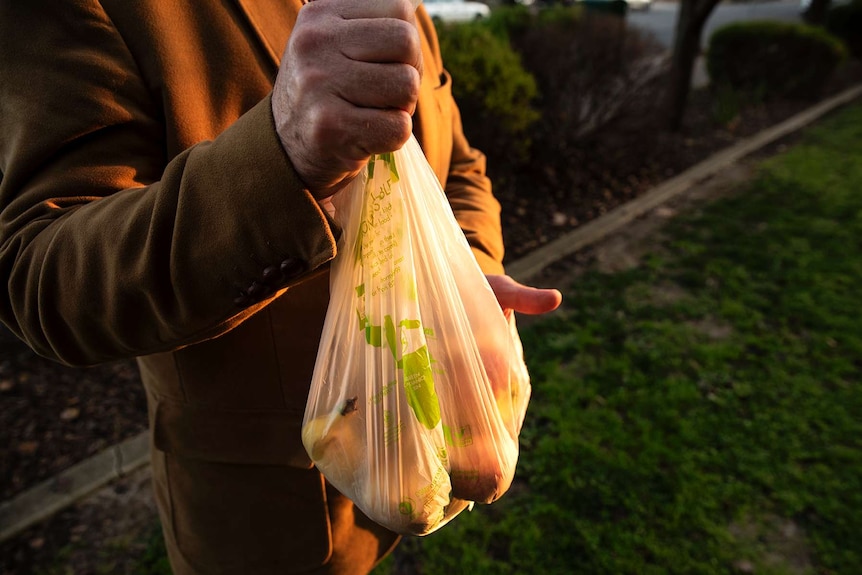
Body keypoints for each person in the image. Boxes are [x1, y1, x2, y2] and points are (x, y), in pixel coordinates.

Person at [0, 0, 562, 573]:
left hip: (417, 461)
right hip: (265, 517)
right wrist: (283, 151)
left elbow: (461, 163)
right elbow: (42, 280)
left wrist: (464, 272)